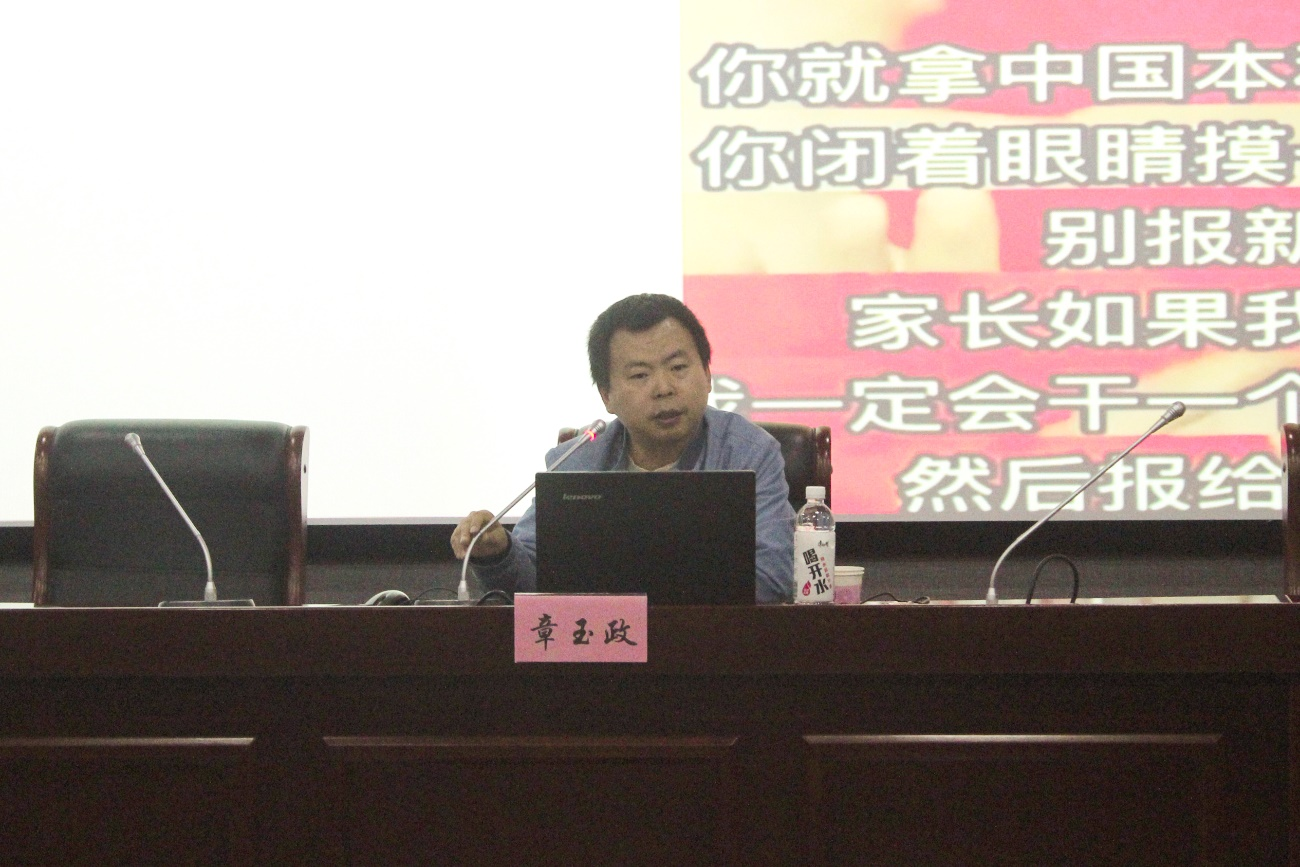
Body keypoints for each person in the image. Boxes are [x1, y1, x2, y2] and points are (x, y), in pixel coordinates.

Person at [450, 293, 796, 603]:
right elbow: (533, 583)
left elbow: (773, 577)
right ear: (607, 396)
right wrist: (497, 552)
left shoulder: (749, 454)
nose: (664, 388)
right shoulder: (577, 460)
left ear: (707, 375)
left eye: (678, 368)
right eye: (640, 375)